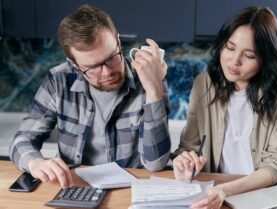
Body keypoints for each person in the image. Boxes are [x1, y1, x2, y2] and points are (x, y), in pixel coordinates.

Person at [9, 4, 171, 188]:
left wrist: (154, 90)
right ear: (75, 65)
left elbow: (156, 164)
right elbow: (21, 141)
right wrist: (35, 163)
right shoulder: (58, 80)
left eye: (111, 57)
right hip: (73, 187)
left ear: (118, 41)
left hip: (129, 191)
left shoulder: (150, 79)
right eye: (93, 67)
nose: (107, 72)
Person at [172, 6, 277, 209]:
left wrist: (226, 190)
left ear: (265, 59)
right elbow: (189, 147)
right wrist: (184, 164)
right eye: (230, 48)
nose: (234, 61)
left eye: (249, 56)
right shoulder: (205, 82)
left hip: (262, 196)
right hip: (215, 193)